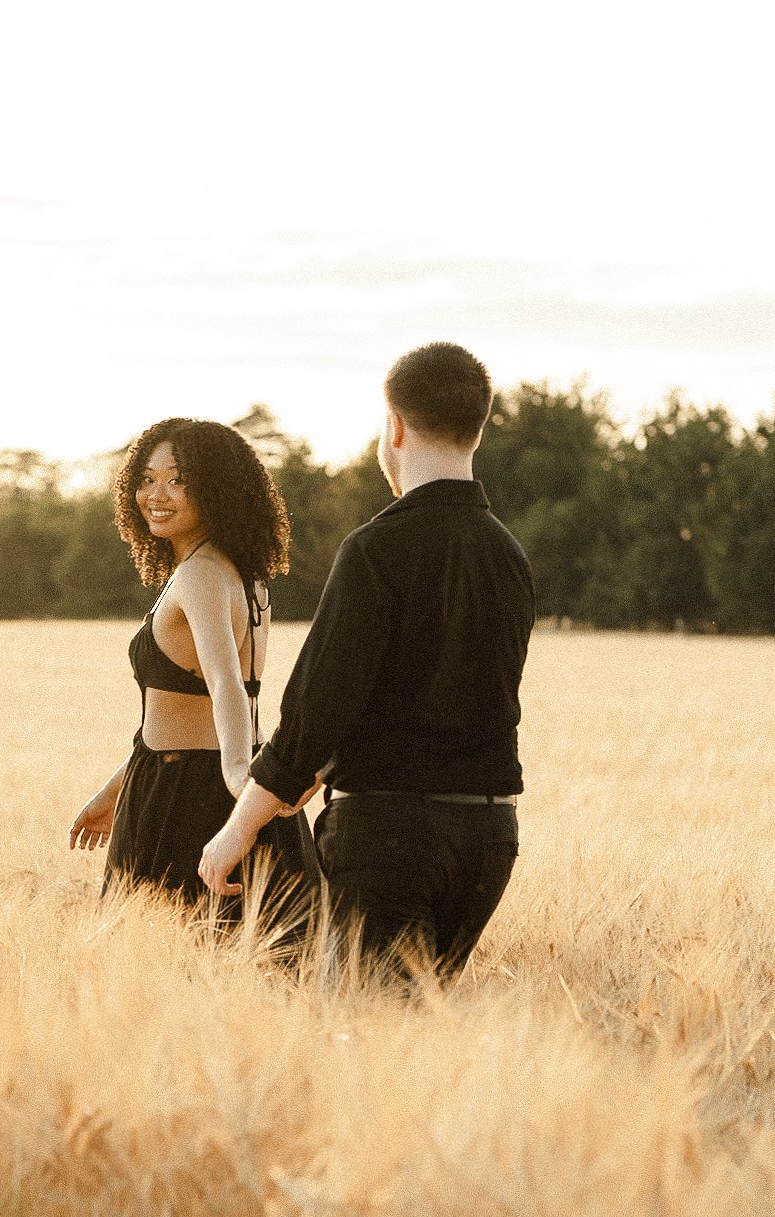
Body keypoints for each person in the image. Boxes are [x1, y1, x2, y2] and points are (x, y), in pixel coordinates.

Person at [199, 343, 534, 977]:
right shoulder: (508, 556)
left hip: (390, 837)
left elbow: (313, 712)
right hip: (490, 841)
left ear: (395, 426)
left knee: (360, 1041)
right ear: (477, 429)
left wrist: (235, 834)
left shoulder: (376, 550)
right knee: (412, 1044)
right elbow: (444, 694)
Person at [69, 417, 312, 932]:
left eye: (178, 480)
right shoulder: (239, 572)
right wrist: (114, 791)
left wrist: (234, 776)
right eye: (146, 479)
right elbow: (188, 706)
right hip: (229, 781)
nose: (157, 494)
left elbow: (226, 683)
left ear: (216, 489)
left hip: (182, 796)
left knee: (154, 981)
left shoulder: (199, 573)